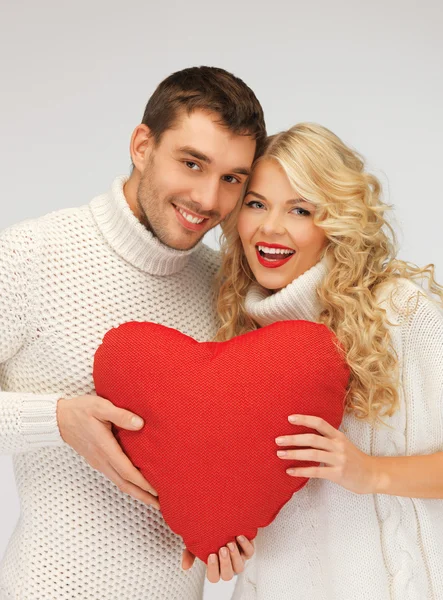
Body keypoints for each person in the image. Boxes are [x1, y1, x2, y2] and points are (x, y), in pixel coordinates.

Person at [0, 66, 265, 600]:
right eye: (192, 163)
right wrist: (56, 419)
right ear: (142, 145)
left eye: (232, 178)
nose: (208, 198)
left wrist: (229, 527)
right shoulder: (30, 255)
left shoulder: (224, 288)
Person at [214, 123, 443, 599]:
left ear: (335, 220)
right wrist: (228, 537)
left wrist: (370, 472)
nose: (270, 227)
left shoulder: (399, 312)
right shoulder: (233, 326)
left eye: (300, 209)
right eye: (256, 204)